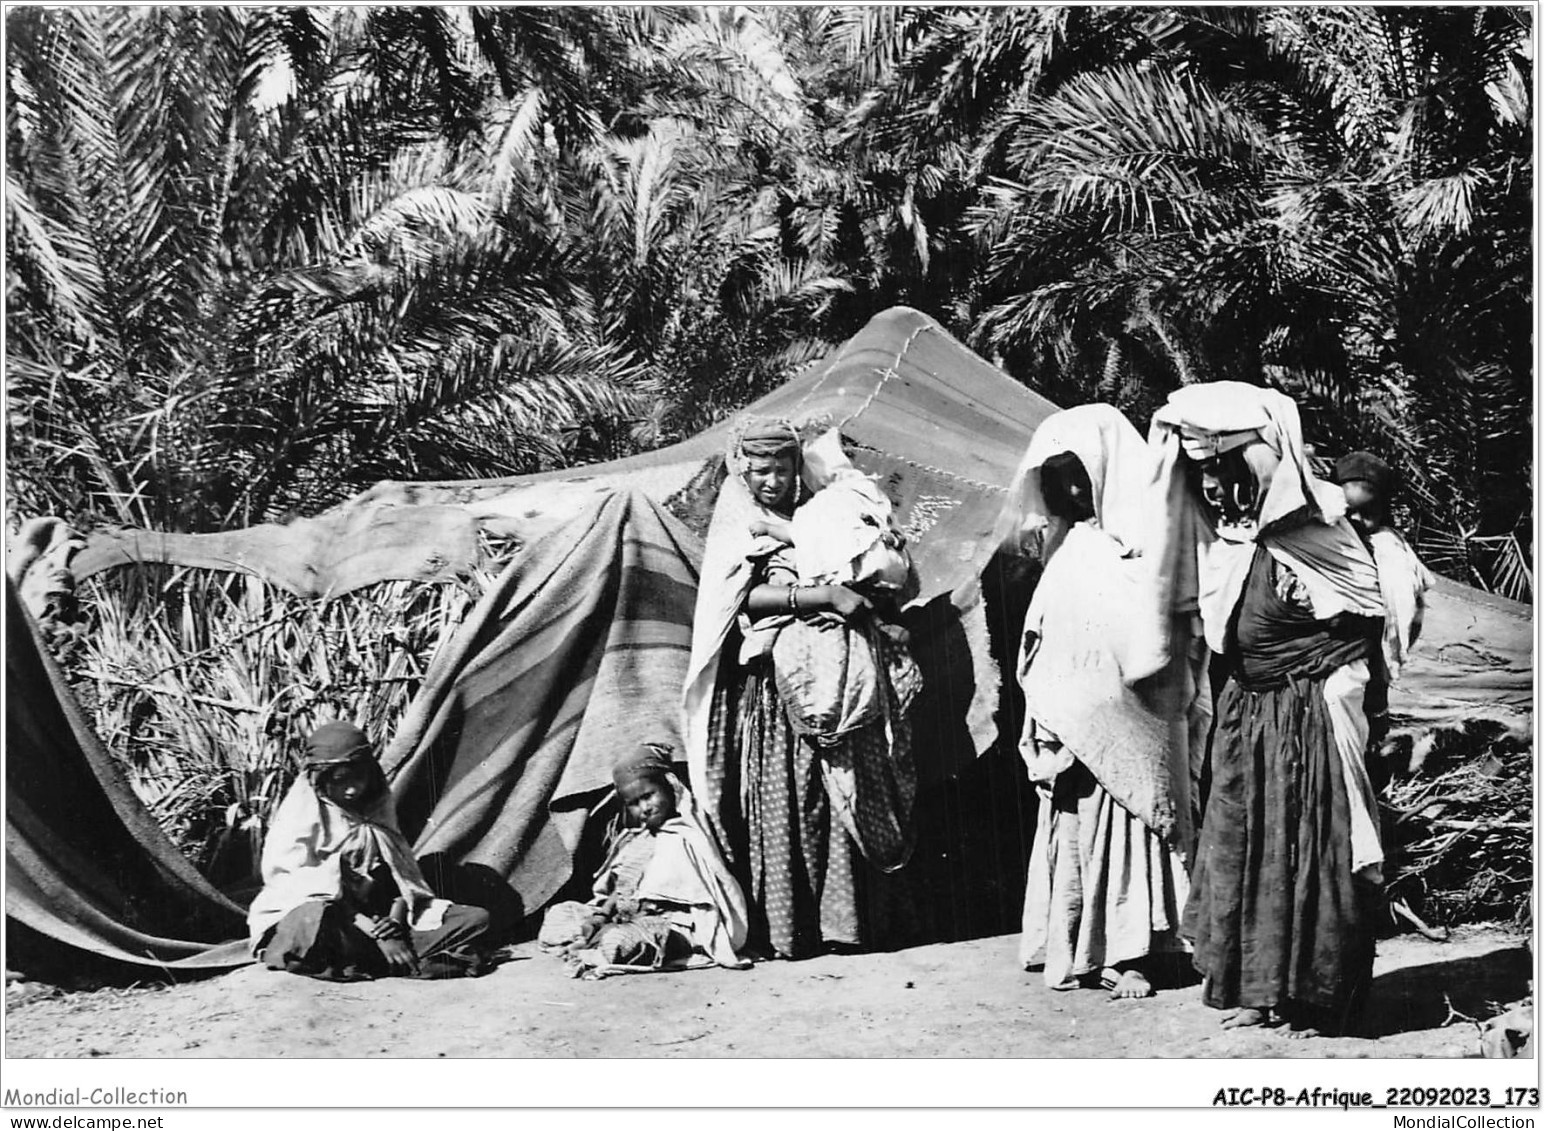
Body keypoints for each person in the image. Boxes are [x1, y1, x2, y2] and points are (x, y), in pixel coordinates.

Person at [1148, 382, 1386, 1037]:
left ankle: (1316, 998)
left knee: (1312, 845)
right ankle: (1254, 988)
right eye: (1211, 476)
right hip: (1248, 716)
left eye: (1229, 470)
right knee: (1243, 848)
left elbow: (1365, 619)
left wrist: (1310, 620)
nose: (1221, 489)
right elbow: (1220, 628)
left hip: (1306, 713)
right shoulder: (1229, 535)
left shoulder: (1319, 529)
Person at [682, 417, 920, 959]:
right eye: (759, 470)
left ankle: (854, 924)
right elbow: (741, 598)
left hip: (844, 680)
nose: (770, 480)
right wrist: (820, 599)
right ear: (742, 470)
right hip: (782, 686)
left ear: (798, 466)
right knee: (797, 795)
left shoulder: (824, 510)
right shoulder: (742, 521)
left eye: (781, 468)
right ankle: (795, 930)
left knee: (849, 790)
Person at [1000, 404, 1194, 1000]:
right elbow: (1042, 636)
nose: (1073, 489)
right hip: (1075, 723)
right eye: (1058, 477)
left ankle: (1141, 949)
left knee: (1140, 824)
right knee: (1080, 828)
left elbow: (1173, 627)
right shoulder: (1064, 548)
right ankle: (1091, 948)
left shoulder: (1150, 540)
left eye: (1081, 473)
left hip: (1142, 715)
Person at [247, 721, 493, 980]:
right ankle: (398, 960)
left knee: (476, 918)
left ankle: (376, 962)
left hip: (376, 916)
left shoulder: (377, 810)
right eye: (340, 781)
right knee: (309, 921)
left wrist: (394, 924)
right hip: (339, 920)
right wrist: (377, 933)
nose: (352, 789)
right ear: (320, 779)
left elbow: (398, 878)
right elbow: (308, 892)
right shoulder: (300, 819)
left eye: (359, 777)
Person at [538, 742, 750, 977]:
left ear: (670, 787)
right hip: (624, 916)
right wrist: (599, 917)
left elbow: (677, 899)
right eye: (634, 804)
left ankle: (604, 944)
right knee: (559, 915)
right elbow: (620, 890)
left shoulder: (683, 837)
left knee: (618, 941)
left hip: (670, 925)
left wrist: (620, 926)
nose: (644, 808)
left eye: (648, 796)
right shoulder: (635, 839)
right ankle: (598, 940)